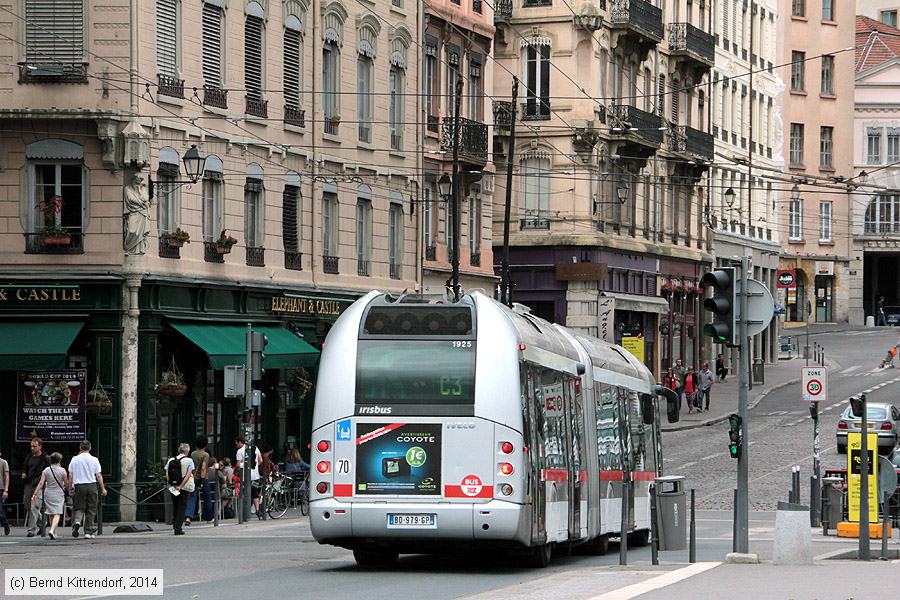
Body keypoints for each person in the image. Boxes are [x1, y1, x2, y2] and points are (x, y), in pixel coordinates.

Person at [67, 440, 107, 539]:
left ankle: (77, 522)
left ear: (80, 448)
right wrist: (103, 488)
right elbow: (98, 475)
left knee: (79, 507)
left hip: (79, 486)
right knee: (91, 509)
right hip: (91, 485)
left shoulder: (74, 459)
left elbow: (70, 475)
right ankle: (88, 532)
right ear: (90, 448)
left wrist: (70, 488)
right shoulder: (94, 459)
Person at [31, 452, 67, 540]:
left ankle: (54, 532)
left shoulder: (46, 470)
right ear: (59, 460)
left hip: (48, 493)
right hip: (58, 493)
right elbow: (66, 483)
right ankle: (52, 530)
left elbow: (41, 483)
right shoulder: (63, 470)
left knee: (51, 513)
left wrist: (35, 493)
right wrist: (69, 488)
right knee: (57, 513)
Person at [22, 438, 50, 537]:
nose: (32, 448)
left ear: (40, 446)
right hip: (29, 483)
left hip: (39, 484)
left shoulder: (45, 458)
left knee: (34, 506)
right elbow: (25, 467)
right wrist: (24, 473)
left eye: (34, 446)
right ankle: (43, 522)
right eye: (31, 446)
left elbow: (48, 470)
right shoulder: (29, 456)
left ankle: (31, 530)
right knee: (27, 505)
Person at [166, 443, 194, 536]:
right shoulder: (189, 461)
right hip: (184, 487)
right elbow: (188, 475)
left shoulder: (171, 460)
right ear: (187, 451)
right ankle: (178, 528)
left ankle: (175, 525)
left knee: (175, 506)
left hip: (173, 487)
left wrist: (173, 485)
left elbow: (167, 475)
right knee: (182, 507)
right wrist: (180, 486)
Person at [186, 436, 212, 525]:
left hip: (194, 477)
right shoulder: (206, 455)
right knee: (207, 497)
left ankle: (189, 516)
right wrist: (202, 480)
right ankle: (209, 517)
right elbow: (203, 468)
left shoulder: (192, 454)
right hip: (203, 478)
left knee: (192, 497)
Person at [234, 437, 262, 516]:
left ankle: (244, 511)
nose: (236, 445)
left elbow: (238, 465)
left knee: (244, 493)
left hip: (245, 476)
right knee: (255, 492)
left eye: (236, 443)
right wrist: (255, 468)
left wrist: (237, 470)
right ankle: (257, 509)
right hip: (255, 475)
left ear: (240, 442)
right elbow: (260, 460)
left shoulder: (240, 451)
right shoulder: (256, 448)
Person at [0, 449, 10, 536]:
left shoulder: (3, 462)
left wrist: (6, 490)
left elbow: (6, 476)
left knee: (0, 510)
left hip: (0, 488)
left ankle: (5, 524)